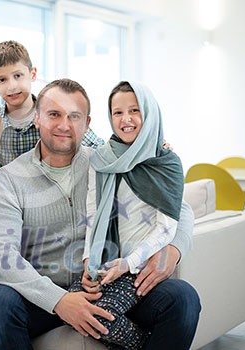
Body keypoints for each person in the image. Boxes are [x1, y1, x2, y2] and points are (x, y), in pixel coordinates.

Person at [0, 78, 200, 350]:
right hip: (41, 297)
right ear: (37, 119)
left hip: (107, 286)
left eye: (74, 116)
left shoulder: (109, 163)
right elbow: (2, 258)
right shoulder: (9, 179)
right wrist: (60, 301)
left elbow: (180, 208)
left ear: (88, 122)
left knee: (182, 297)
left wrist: (174, 249)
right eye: (54, 115)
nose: (64, 125)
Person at [68, 81, 186, 350]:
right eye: (117, 112)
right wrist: (89, 259)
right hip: (106, 263)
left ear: (149, 113)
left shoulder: (167, 162)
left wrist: (129, 262)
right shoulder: (102, 159)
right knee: (73, 310)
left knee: (101, 318)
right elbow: (93, 213)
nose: (126, 119)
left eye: (135, 110)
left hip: (139, 267)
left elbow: (167, 228)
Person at [0, 40, 104, 167]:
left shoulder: (55, 113)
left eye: (18, 76)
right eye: (2, 80)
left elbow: (97, 149)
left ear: (33, 74)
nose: (12, 86)